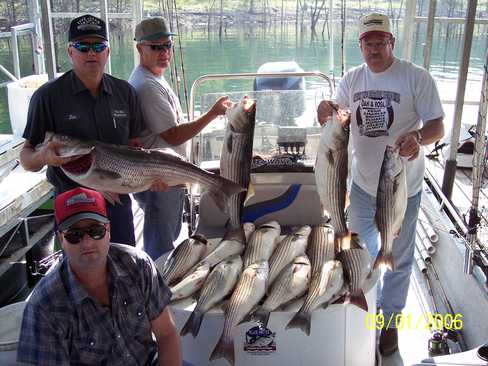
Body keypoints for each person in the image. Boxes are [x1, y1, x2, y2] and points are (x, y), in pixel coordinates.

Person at [317, 13, 444, 356]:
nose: (374, 49)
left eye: (380, 42)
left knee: (398, 260)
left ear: (391, 42)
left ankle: (388, 327)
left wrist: (418, 137)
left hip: (404, 190)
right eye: (368, 43)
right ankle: (358, 307)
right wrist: (325, 108)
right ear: (360, 46)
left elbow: (437, 127)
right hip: (360, 185)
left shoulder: (416, 77)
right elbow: (330, 116)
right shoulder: (352, 79)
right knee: (357, 251)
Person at [18, 14, 162, 246]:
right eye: (83, 46)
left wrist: (152, 176)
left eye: (98, 46)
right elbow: (26, 158)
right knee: (79, 273)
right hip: (72, 203)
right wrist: (43, 156)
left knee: (125, 265)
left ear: (108, 52)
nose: (91, 53)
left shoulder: (125, 92)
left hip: (118, 201)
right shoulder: (47, 97)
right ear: (70, 51)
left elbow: (135, 148)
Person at [16, 187, 181, 365]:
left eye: (96, 231)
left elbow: (166, 334)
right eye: (74, 235)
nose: (87, 242)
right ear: (61, 239)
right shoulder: (45, 307)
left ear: (108, 230)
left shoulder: (139, 265)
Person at [128, 17, 230, 260]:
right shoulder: (146, 86)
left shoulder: (152, 77)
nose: (164, 52)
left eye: (168, 45)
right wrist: (213, 114)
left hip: (169, 174)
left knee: (169, 234)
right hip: (159, 179)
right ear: (140, 48)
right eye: (155, 47)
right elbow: (173, 136)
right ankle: (159, 285)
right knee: (161, 245)